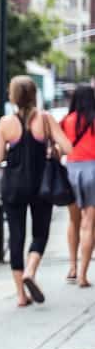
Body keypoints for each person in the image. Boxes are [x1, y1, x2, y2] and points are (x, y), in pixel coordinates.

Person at [0, 75, 73, 306]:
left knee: (16, 237)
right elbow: (68, 146)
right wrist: (54, 148)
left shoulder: (5, 123)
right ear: (34, 95)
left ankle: (20, 295)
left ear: (13, 96)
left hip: (13, 187)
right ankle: (30, 270)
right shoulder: (46, 119)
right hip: (41, 185)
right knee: (40, 233)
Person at [62, 85, 95, 286]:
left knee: (73, 221)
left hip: (71, 171)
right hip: (93, 170)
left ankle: (72, 267)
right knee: (89, 224)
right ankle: (83, 275)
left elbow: (60, 146)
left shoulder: (67, 120)